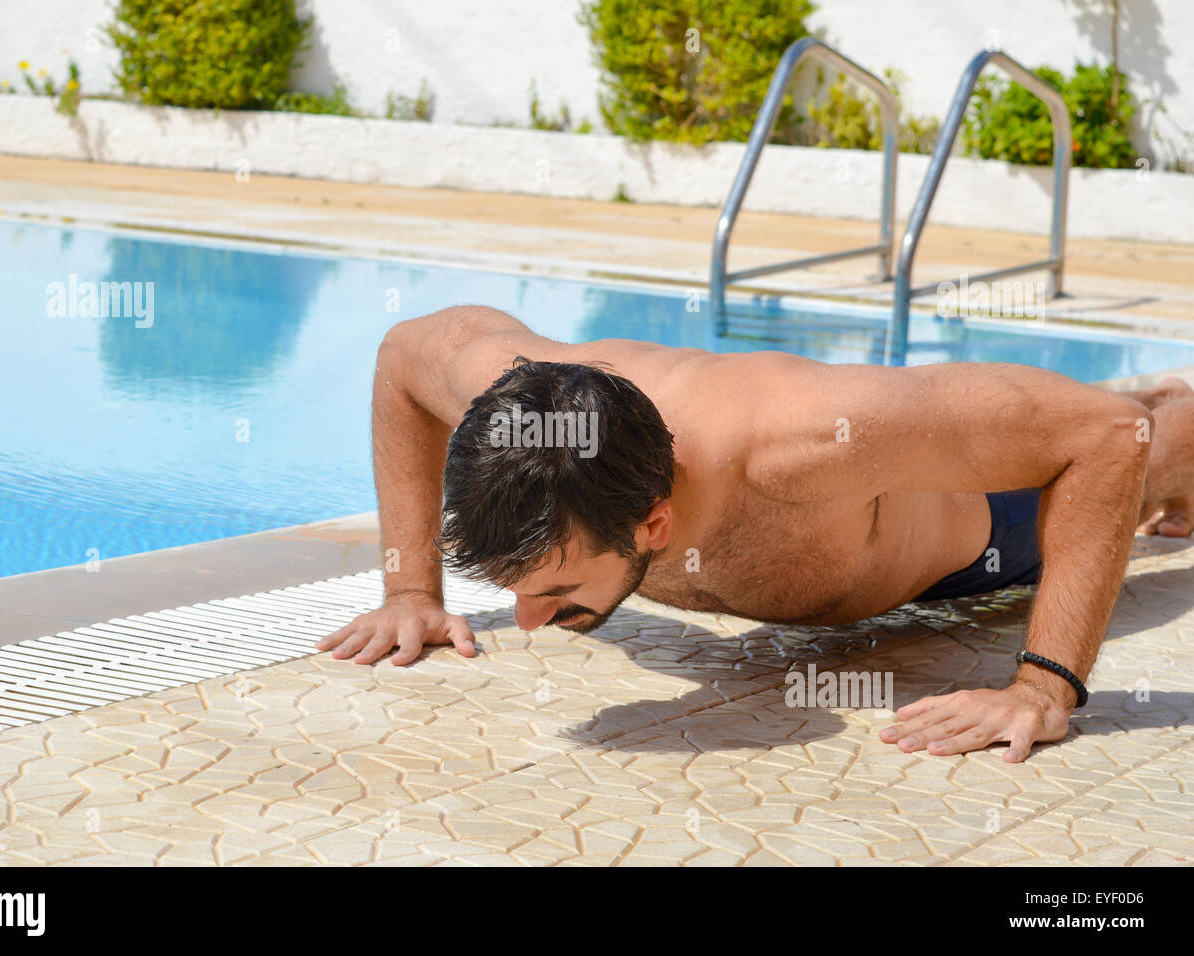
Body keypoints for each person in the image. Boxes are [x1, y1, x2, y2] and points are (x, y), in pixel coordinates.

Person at [317, 305, 1194, 762]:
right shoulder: (519, 409)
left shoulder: (802, 439)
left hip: (984, 537)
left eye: (553, 589)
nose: (530, 622)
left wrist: (1045, 688)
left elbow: (1105, 437)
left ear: (655, 520)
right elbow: (401, 355)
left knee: (1156, 442)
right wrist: (410, 590)